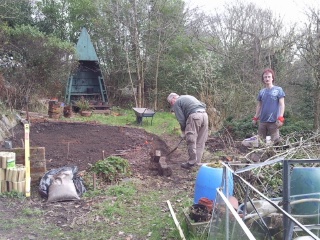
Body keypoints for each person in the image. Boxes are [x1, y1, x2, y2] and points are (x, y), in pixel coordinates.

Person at [167, 93, 209, 169]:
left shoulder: (177, 102)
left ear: (173, 98)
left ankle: (191, 162)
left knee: (191, 140)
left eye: (171, 102)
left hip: (195, 116)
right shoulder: (189, 96)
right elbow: (203, 104)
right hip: (205, 115)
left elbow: (181, 119)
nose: (172, 104)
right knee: (200, 140)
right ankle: (197, 162)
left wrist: (184, 130)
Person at [252, 68, 285, 144]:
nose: (267, 79)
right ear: (263, 79)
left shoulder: (278, 90)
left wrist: (281, 118)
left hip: (274, 122)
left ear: (272, 78)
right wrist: (255, 117)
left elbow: (282, 104)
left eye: (269, 77)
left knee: (276, 144)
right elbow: (259, 106)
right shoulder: (261, 92)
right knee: (261, 143)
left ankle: (275, 155)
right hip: (262, 121)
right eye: (265, 77)